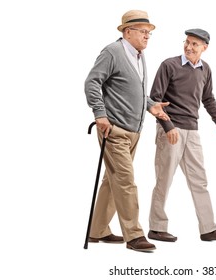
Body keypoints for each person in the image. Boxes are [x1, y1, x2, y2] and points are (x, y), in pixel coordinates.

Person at [84, 10, 170, 252]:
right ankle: (133, 235)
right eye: (143, 31)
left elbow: (135, 92)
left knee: (112, 183)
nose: (147, 36)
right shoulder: (113, 52)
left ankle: (97, 230)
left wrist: (151, 105)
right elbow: (92, 82)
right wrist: (99, 113)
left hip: (133, 131)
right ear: (127, 31)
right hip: (114, 131)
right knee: (126, 183)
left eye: (149, 32)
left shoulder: (139, 56)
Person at [147, 28, 216, 242]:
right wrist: (168, 127)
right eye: (187, 42)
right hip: (171, 129)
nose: (188, 47)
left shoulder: (205, 69)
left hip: (192, 130)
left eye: (195, 44)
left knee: (199, 180)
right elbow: (154, 100)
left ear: (205, 47)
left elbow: (208, 99)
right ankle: (156, 228)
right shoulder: (169, 65)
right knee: (164, 179)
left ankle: (208, 229)